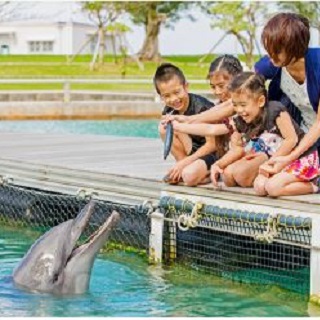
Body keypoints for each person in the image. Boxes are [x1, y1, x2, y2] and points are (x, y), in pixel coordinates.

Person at [210, 72, 318, 197]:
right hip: (277, 162)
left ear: (260, 101)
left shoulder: (275, 110)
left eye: (243, 105)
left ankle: (314, 184)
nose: (239, 110)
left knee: (273, 188)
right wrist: (218, 164)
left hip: (300, 158)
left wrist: (270, 163)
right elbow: (237, 148)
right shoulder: (243, 120)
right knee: (260, 187)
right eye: (235, 105)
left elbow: (291, 140)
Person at [254, 13, 320, 187]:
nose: (270, 55)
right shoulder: (273, 63)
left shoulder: (318, 66)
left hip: (314, 136)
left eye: (276, 49)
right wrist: (190, 119)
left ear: (295, 47)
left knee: (274, 186)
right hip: (304, 137)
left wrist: (290, 156)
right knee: (261, 184)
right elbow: (245, 93)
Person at [169, 54, 243, 164]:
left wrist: (184, 122)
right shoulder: (217, 107)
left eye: (221, 86)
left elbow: (212, 129)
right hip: (221, 157)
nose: (217, 92)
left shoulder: (243, 106)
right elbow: (209, 129)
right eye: (213, 87)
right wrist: (182, 122)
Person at [155, 63, 217, 186]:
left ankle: (204, 172)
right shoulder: (169, 110)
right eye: (167, 96)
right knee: (164, 127)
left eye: (177, 92)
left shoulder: (203, 108)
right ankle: (182, 167)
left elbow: (213, 145)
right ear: (161, 96)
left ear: (186, 87)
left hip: (212, 153)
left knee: (189, 177)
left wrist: (185, 163)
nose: (173, 99)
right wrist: (183, 163)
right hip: (192, 151)